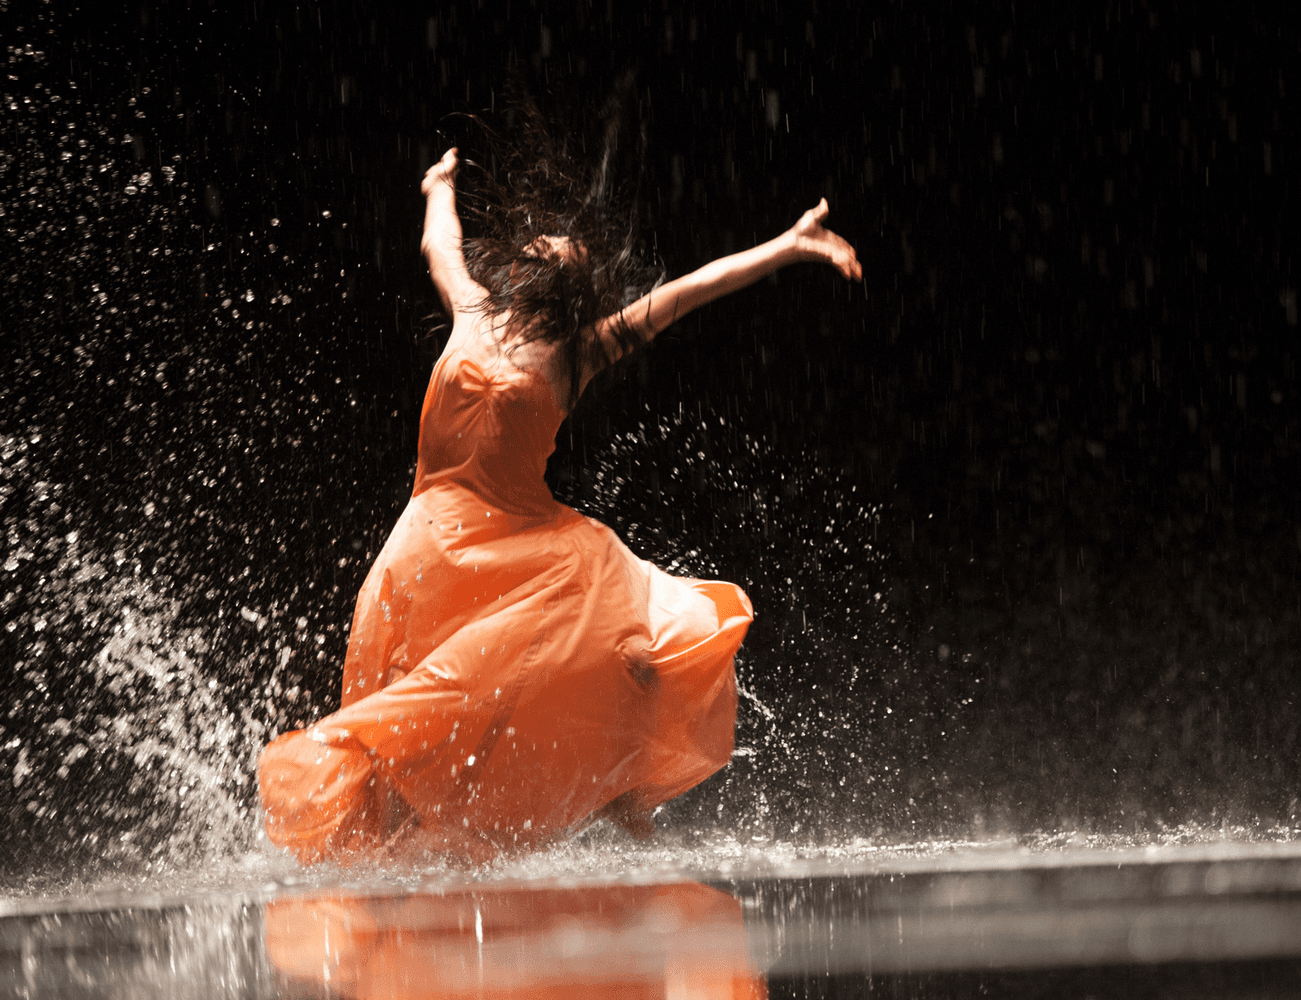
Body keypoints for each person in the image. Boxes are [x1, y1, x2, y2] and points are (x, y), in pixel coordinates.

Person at [258, 135, 861, 865]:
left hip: (520, 548)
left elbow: (687, 293)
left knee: (528, 671)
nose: (547, 246)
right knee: (394, 706)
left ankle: (612, 779)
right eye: (543, 245)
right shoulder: (473, 309)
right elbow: (437, 245)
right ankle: (366, 856)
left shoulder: (579, 354)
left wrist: (786, 246)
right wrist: (438, 185)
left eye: (561, 252)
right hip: (424, 540)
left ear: (565, 286)